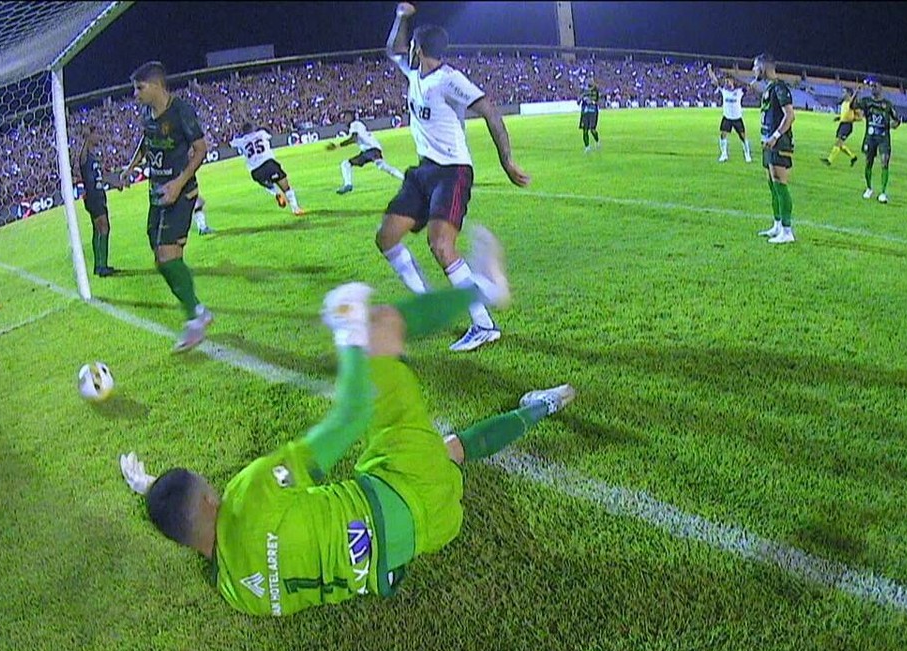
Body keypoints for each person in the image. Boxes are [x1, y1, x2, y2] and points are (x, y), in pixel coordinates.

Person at [118, 226, 578, 617]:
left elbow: (197, 527)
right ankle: (485, 289)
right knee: (381, 325)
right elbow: (351, 416)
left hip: (424, 536)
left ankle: (545, 404)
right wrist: (347, 332)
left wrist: (150, 490)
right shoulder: (248, 495)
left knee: (449, 451)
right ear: (210, 497)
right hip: (399, 487)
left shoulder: (237, 594)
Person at [376, 2, 531, 352]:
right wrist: (401, 18)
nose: (408, 50)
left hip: (452, 171)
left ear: (421, 49)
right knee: (386, 237)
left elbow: (489, 111)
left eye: (412, 45)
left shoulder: (450, 81)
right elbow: (392, 49)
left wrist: (507, 162)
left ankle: (484, 325)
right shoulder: (414, 73)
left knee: (441, 246)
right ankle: (428, 302)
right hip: (423, 172)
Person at [119, 61, 213, 352]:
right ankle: (196, 310)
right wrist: (130, 167)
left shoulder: (180, 110)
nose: (135, 94)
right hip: (156, 195)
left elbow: (201, 149)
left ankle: (195, 319)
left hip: (179, 193)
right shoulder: (147, 114)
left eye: (139, 88)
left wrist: (179, 183)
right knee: (161, 261)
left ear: (157, 85)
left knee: (168, 256)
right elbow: (147, 143)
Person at [751, 52, 796, 244]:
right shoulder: (770, 88)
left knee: (780, 184)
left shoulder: (780, 88)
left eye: (755, 66)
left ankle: (787, 231)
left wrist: (776, 136)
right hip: (767, 142)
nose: (753, 70)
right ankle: (777, 224)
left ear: (764, 67)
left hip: (779, 143)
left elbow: (790, 116)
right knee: (772, 185)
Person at [228, 122, 306, 215]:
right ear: (253, 128)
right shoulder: (261, 133)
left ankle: (276, 193)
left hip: (256, 171)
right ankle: (295, 209)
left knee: (267, 183)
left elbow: (229, 143)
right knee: (286, 187)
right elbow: (270, 134)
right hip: (269, 164)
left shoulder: (240, 141)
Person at [326, 111, 405, 195]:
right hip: (371, 150)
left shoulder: (355, 124)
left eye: (345, 117)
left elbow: (353, 138)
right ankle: (405, 179)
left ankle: (348, 185)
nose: (344, 119)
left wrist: (337, 146)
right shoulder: (357, 125)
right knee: (383, 166)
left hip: (370, 150)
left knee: (346, 164)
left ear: (351, 117)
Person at [77, 128, 121, 277]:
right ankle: (101, 266)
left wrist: (116, 183)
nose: (99, 137)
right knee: (103, 227)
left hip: (99, 195)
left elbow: (100, 177)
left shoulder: (94, 157)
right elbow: (80, 160)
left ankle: (100, 265)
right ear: (89, 136)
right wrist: (86, 137)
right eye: (96, 134)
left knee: (99, 229)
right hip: (93, 197)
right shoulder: (84, 156)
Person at [853, 77, 900, 203]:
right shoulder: (866, 101)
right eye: (871, 86)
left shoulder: (887, 104)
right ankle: (869, 188)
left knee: (884, 162)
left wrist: (892, 125)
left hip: (883, 138)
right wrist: (856, 93)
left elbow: (897, 120)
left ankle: (883, 193)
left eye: (875, 86)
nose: (872, 88)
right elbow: (853, 106)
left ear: (881, 87)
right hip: (870, 137)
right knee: (868, 163)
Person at [707, 65, 751, 163]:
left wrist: (738, 73)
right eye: (726, 81)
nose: (727, 82)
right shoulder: (724, 91)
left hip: (737, 118)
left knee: (743, 137)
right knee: (723, 135)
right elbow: (714, 80)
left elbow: (750, 85)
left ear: (732, 82)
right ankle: (724, 154)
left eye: (729, 81)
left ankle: (747, 154)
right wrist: (710, 70)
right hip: (727, 117)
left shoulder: (739, 91)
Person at [821, 87, 859, 167]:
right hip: (842, 124)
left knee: (838, 143)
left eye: (844, 92)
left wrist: (856, 92)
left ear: (849, 94)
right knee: (840, 145)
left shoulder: (851, 103)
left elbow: (852, 104)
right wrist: (839, 117)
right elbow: (846, 114)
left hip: (847, 126)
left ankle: (829, 160)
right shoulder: (844, 103)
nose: (842, 93)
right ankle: (853, 157)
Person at [579, 80, 602, 153]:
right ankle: (587, 147)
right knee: (585, 130)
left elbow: (597, 100)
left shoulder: (595, 91)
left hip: (593, 112)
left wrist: (591, 101)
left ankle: (597, 141)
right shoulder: (583, 92)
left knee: (592, 130)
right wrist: (582, 98)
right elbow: (578, 101)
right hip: (585, 112)